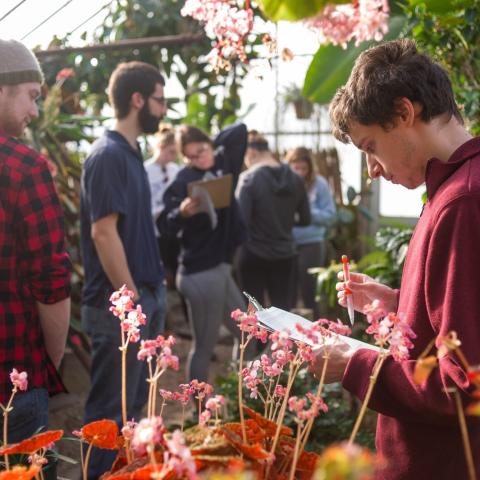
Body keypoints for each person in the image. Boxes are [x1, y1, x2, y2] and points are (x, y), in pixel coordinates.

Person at [310, 39, 480, 479]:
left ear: (404, 113)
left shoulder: (461, 201)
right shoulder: (453, 188)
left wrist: (355, 365)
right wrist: (401, 305)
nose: (372, 168)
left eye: (370, 146)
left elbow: (463, 386)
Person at [80, 61, 167, 479]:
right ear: (138, 100)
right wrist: (132, 302)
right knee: (109, 416)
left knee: (133, 413)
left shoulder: (130, 154)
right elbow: (102, 233)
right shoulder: (108, 155)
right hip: (121, 307)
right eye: (160, 99)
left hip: (143, 297)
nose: (163, 109)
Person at [0, 39, 71, 443]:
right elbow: (52, 282)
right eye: (30, 96)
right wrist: (49, 363)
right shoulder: (26, 168)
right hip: (13, 380)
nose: (34, 111)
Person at [158, 123, 247, 383]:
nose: (200, 159)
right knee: (204, 347)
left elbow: (239, 130)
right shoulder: (183, 179)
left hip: (221, 265)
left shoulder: (224, 161)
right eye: (192, 157)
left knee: (247, 335)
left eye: (202, 151)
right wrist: (182, 213)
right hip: (199, 271)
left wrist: (213, 142)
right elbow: (164, 224)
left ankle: (237, 391)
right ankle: (199, 414)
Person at [235, 132, 310, 311]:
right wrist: (284, 222)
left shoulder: (248, 179)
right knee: (283, 313)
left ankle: (255, 341)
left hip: (253, 254)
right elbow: (306, 219)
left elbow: (241, 221)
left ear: (251, 153)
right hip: (285, 254)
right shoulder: (297, 179)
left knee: (253, 313)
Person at [286, 147, 336, 318]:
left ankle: (315, 331)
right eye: (296, 168)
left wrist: (306, 213)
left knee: (310, 292)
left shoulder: (319, 184)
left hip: (312, 244)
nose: (300, 173)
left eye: (303, 169)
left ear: (310, 168)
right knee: (288, 293)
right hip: (287, 244)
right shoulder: (284, 184)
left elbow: (330, 216)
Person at [145, 125, 180, 287]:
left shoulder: (175, 170)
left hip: (174, 228)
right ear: (160, 147)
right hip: (155, 230)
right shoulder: (145, 170)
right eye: (170, 152)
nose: (172, 157)